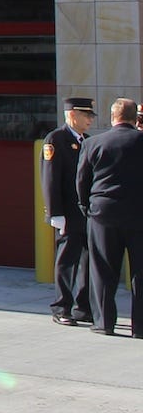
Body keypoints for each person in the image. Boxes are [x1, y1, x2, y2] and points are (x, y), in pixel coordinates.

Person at [76, 97, 143, 336]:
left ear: (112, 118)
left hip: (103, 213)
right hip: (139, 215)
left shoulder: (93, 143)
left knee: (103, 270)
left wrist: (87, 209)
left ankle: (104, 323)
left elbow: (82, 181)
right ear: (135, 118)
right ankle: (140, 327)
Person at [43, 96, 96, 324]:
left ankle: (83, 307)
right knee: (67, 261)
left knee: (88, 261)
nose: (90, 121)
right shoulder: (56, 139)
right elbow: (50, 180)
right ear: (72, 115)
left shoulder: (88, 141)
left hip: (87, 213)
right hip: (67, 213)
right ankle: (61, 307)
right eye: (86, 116)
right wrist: (55, 213)